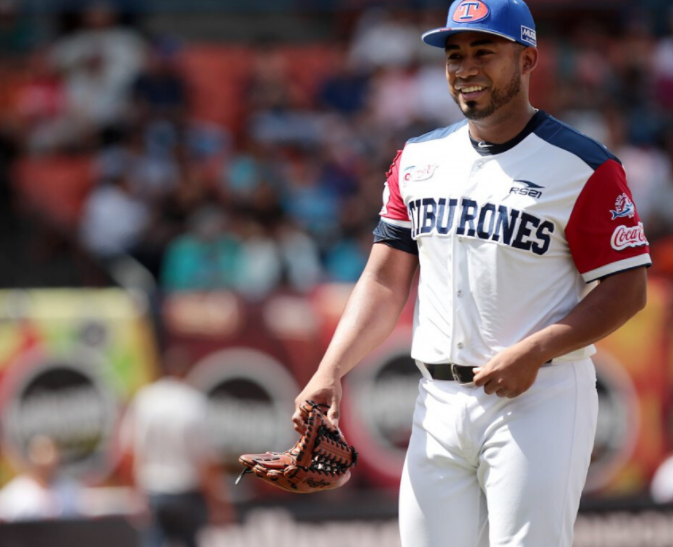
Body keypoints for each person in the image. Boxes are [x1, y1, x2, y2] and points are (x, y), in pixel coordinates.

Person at [291, 1, 651, 546]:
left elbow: (628, 287)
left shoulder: (583, 166)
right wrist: (330, 369)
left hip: (540, 396)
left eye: (485, 51)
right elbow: (386, 279)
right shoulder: (417, 157)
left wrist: (537, 348)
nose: (465, 66)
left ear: (527, 59)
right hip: (436, 401)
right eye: (454, 54)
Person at [120, 348, 235, 547]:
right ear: (187, 372)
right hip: (186, 494)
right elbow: (205, 460)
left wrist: (134, 492)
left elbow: (129, 451)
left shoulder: (146, 399)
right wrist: (219, 502)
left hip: (153, 491)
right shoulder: (193, 403)